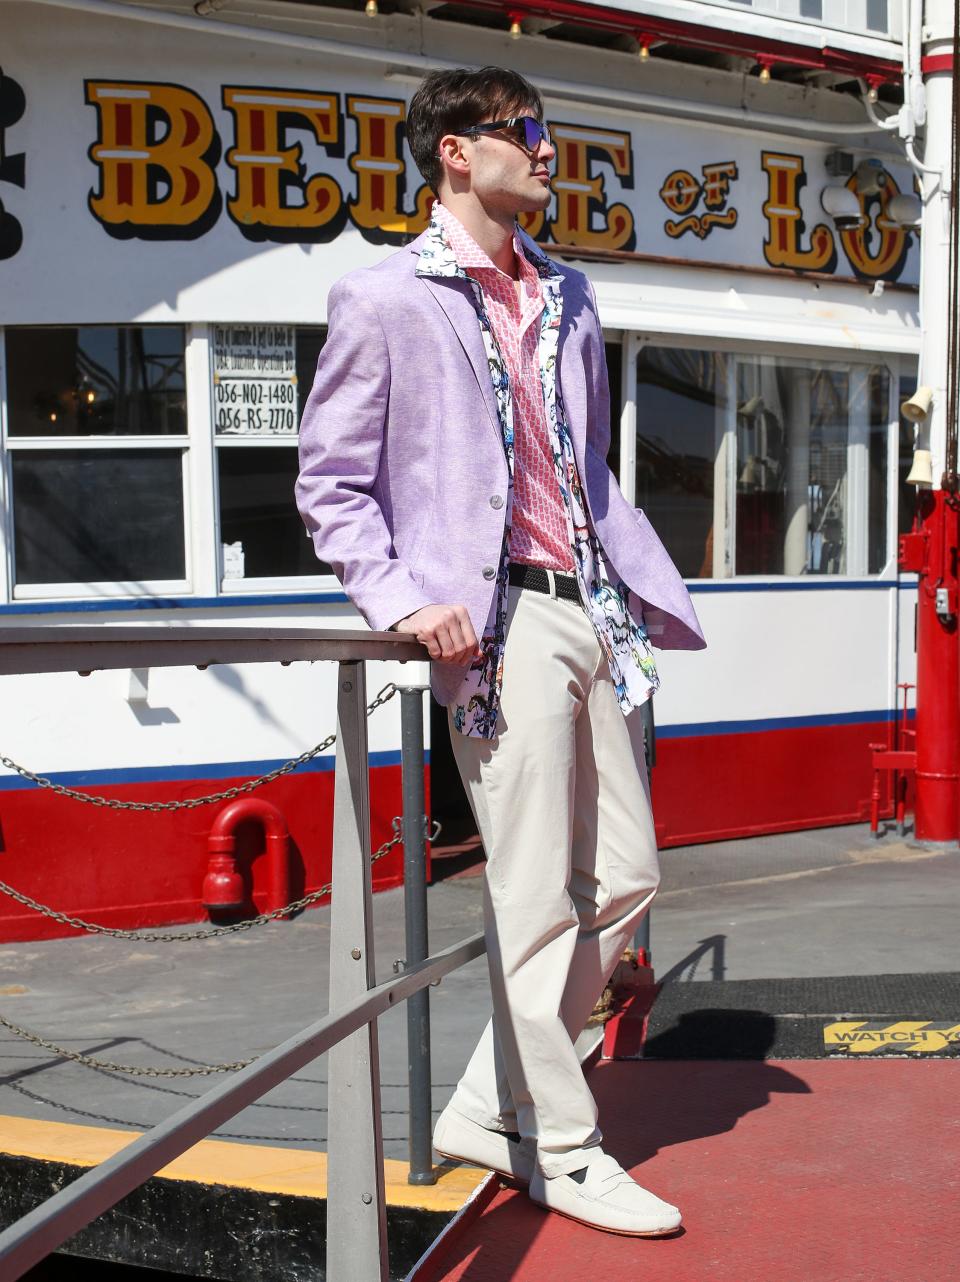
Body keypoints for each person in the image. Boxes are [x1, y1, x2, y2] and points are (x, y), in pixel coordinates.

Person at [296, 65, 705, 1237]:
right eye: (527, 131)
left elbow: (587, 470)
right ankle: (561, 1145)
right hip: (496, 629)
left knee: (626, 875)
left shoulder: (571, 295)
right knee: (529, 898)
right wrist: (399, 597)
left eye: (546, 127)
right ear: (456, 154)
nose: (547, 149)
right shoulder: (383, 298)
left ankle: (486, 1101)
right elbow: (330, 485)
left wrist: (636, 591)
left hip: (589, 612)